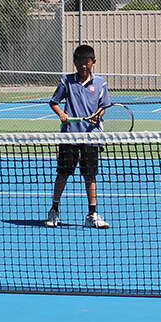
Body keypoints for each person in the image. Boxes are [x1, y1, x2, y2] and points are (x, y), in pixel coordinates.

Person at [45, 44, 111, 229]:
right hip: (70, 136)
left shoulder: (100, 83)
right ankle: (54, 211)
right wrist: (61, 114)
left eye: (86, 62)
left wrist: (98, 114)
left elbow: (104, 106)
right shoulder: (66, 81)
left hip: (91, 137)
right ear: (74, 62)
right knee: (63, 174)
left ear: (93, 62)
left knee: (90, 176)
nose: (83, 65)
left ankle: (92, 214)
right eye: (80, 62)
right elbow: (54, 102)